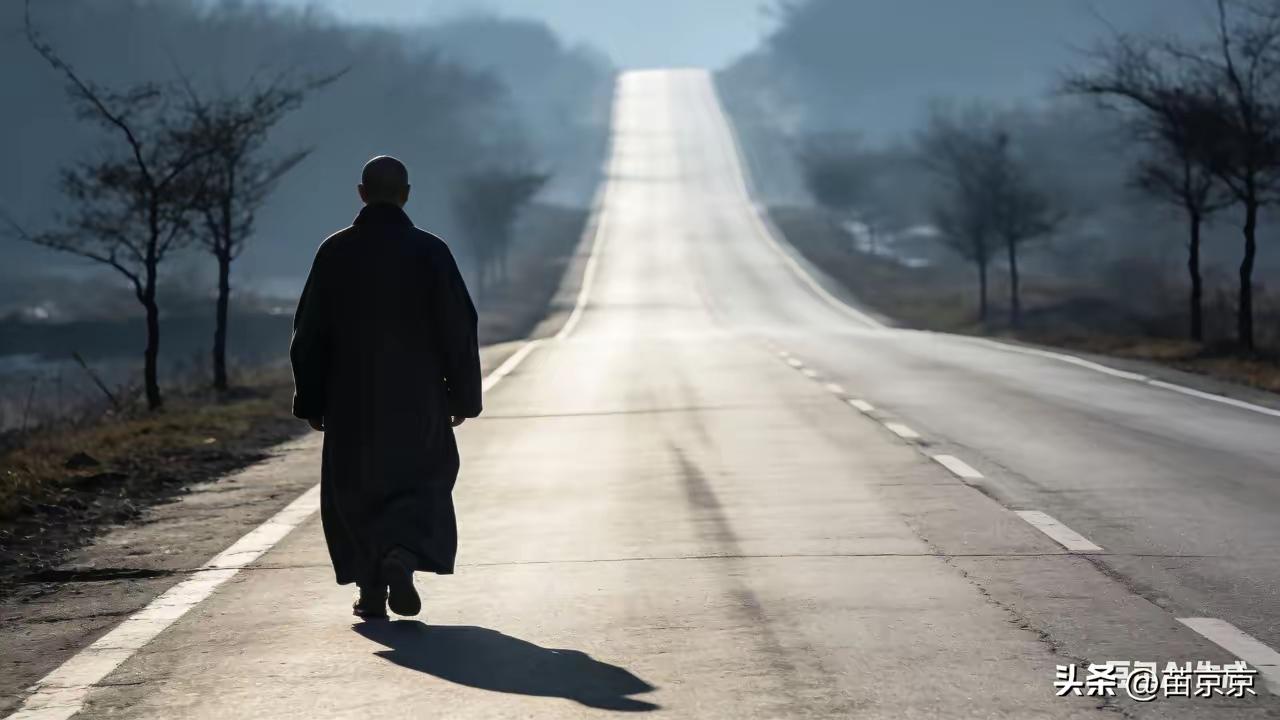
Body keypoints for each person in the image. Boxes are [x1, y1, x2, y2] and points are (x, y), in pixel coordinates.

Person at [290, 155, 482, 619]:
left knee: (355, 489)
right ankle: (404, 556)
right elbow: (459, 326)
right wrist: (463, 396)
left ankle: (371, 587)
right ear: (407, 193)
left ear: (361, 193)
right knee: (422, 481)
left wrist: (311, 398)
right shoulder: (431, 252)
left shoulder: (335, 252)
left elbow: (309, 333)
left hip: (350, 397)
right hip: (419, 396)